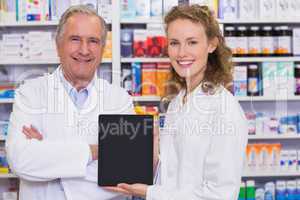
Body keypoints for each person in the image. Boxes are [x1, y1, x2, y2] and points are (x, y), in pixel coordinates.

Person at [108, 4, 248, 200]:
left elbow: (219, 195)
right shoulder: (177, 102)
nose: (182, 53)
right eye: (174, 43)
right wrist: (153, 157)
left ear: (212, 44)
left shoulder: (225, 110)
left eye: (192, 42)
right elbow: (172, 177)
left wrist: (148, 192)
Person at [5, 5, 134, 200]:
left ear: (102, 48)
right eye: (75, 39)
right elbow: (20, 160)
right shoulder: (30, 94)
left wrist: (47, 152)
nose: (84, 50)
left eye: (93, 41)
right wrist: (97, 151)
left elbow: (126, 173)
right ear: (58, 45)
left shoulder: (119, 100)